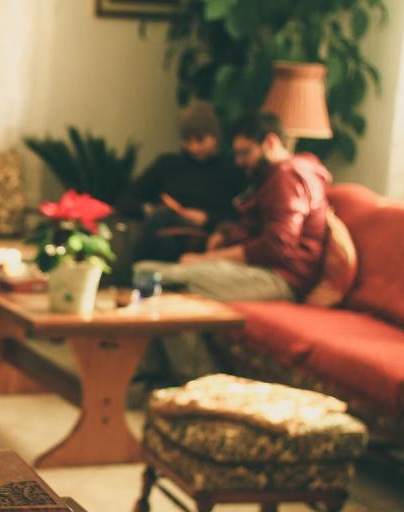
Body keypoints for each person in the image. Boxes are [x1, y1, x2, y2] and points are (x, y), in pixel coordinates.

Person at [133, 111, 332, 382]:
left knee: (156, 280)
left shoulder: (288, 175)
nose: (240, 163)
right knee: (146, 273)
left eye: (245, 153)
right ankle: (155, 373)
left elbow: (277, 245)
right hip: (262, 270)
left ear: (270, 142)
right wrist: (226, 233)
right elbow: (258, 225)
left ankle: (200, 381)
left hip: (279, 278)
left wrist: (207, 259)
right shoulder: (276, 176)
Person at [118, 100, 246, 263]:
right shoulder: (168, 164)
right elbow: (127, 198)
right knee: (163, 227)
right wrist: (150, 210)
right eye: (187, 140)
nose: (193, 147)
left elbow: (240, 215)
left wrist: (206, 219)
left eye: (200, 140)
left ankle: (132, 275)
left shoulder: (230, 170)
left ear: (214, 138)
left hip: (204, 237)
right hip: (163, 228)